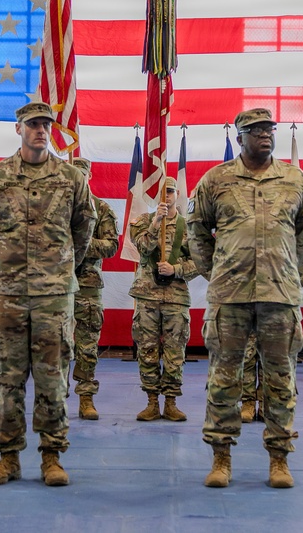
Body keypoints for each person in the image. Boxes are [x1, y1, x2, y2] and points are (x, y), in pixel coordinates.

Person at [188, 107, 303, 490]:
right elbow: (196, 231)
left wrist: (289, 272)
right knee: (224, 378)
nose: (265, 134)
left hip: (279, 295)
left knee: (281, 378)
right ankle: (221, 457)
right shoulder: (216, 179)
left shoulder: (295, 180)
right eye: (255, 130)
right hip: (230, 295)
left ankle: (279, 459)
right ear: (239, 136)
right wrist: (218, 271)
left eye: (269, 129)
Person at [0, 100, 95, 488]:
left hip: (54, 294)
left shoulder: (72, 178)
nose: (40, 130)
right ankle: (7, 458)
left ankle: (52, 456)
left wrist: (57, 268)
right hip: (6, 294)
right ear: (19, 129)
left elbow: (83, 232)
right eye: (32, 124)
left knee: (53, 378)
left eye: (45, 124)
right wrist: (6, 267)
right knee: (6, 377)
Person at [129, 176, 197, 422]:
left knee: (174, 350)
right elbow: (143, 248)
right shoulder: (143, 222)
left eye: (170, 192)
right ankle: (150, 402)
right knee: (146, 349)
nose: (166, 196)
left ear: (177, 194)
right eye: (162, 192)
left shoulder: (188, 227)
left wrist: (176, 270)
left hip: (176, 297)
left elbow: (201, 262)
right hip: (147, 296)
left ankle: (170, 402)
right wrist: (156, 221)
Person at [69, 158, 119, 421]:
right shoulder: (55, 208)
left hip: (87, 285)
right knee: (53, 345)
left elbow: (111, 246)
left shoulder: (101, 209)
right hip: (56, 284)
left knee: (87, 345)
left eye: (82, 174)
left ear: (89, 176)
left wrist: (78, 246)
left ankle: (86, 398)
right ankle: (53, 396)